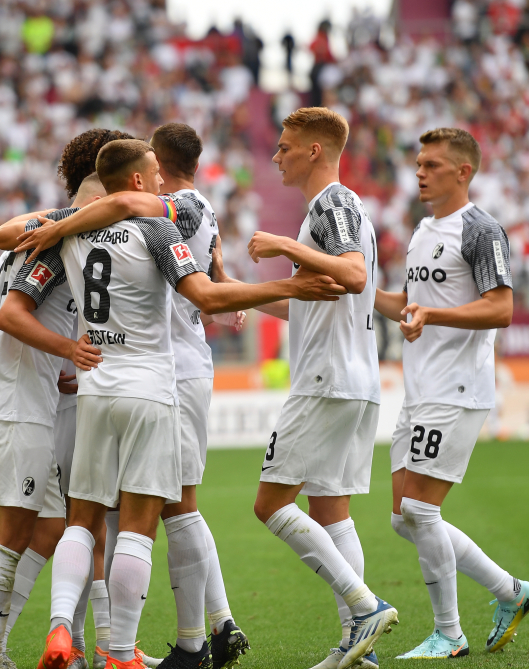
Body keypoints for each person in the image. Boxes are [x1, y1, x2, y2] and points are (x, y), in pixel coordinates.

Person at [5, 138, 339, 669]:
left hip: (93, 389)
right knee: (138, 525)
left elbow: (11, 251)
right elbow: (206, 296)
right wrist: (289, 289)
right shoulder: (160, 229)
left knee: (81, 520)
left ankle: (62, 629)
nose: (161, 180)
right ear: (137, 181)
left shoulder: (69, 226)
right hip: (149, 391)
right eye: (154, 172)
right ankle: (119, 654)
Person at [14, 124, 252, 669]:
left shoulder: (89, 226)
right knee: (158, 516)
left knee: (95, 518)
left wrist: (57, 225)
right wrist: (272, 287)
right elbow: (203, 285)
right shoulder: (163, 220)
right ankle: (147, 643)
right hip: (159, 379)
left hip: (108, 380)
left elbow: (16, 240)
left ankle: (76, 633)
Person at [216, 107, 396, 669]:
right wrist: (233, 291)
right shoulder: (338, 212)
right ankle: (357, 646)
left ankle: (364, 608)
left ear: (315, 150)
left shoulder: (333, 203)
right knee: (331, 511)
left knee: (270, 504)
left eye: (286, 147)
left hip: (327, 379)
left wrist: (284, 248)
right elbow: (310, 305)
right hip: (352, 378)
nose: (276, 157)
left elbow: (354, 275)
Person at [373, 128, 529, 659]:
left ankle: (450, 633)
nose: (420, 172)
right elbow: (410, 302)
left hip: (458, 388)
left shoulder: (481, 230)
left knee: (420, 512)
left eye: (433, 165)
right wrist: (355, 290)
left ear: (463, 172)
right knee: (404, 516)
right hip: (420, 389)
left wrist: (433, 314)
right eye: (419, 163)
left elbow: (502, 308)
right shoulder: (423, 230)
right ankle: (511, 592)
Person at [0, 172, 107, 669]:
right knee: (9, 532)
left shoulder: (12, 253)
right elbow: (8, 319)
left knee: (48, 530)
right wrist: (68, 352)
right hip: (18, 412)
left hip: (19, 403)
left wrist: (11, 376)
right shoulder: (60, 248)